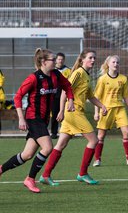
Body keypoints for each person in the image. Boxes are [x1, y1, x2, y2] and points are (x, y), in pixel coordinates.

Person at [0, 48, 74, 193]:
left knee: (27, 155)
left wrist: (70, 100)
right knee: (47, 147)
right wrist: (21, 118)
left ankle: (1, 168)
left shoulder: (56, 75)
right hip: (33, 118)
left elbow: (68, 86)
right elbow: (18, 97)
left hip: (44, 119)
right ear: (43, 62)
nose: (55, 62)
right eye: (52, 60)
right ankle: (30, 179)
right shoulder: (33, 78)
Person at [40, 49, 107, 186]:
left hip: (74, 112)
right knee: (94, 140)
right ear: (82, 59)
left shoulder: (86, 76)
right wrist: (61, 111)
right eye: (90, 58)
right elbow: (65, 90)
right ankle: (82, 173)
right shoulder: (78, 73)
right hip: (73, 112)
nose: (93, 60)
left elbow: (91, 96)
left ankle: (45, 175)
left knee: (61, 144)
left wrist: (102, 106)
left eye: (94, 58)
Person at [92, 55, 128, 167]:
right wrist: (96, 112)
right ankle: (97, 159)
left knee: (127, 132)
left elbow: (126, 96)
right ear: (108, 64)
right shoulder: (102, 79)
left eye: (117, 62)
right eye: (113, 62)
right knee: (101, 136)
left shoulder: (123, 79)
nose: (116, 64)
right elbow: (96, 97)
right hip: (106, 109)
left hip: (120, 108)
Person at [50, 52, 72, 139]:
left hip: (64, 95)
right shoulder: (52, 70)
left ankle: (67, 132)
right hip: (54, 95)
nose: (60, 61)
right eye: (59, 59)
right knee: (55, 114)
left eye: (62, 59)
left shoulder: (68, 70)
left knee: (66, 114)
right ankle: (54, 133)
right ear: (56, 60)